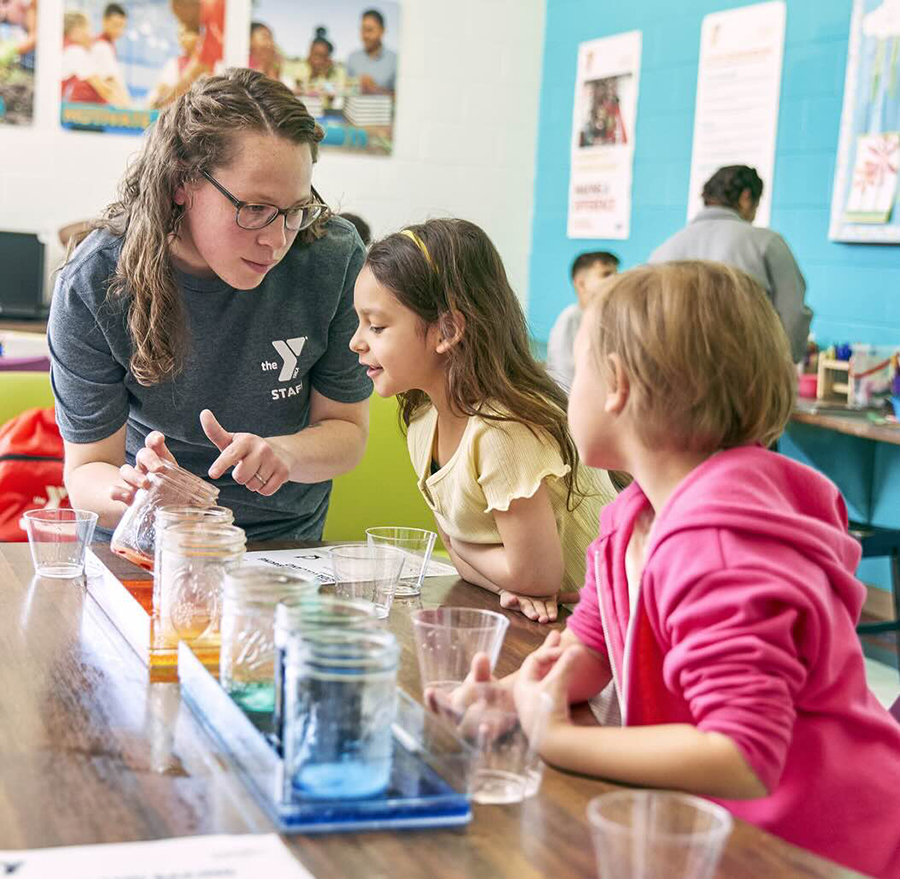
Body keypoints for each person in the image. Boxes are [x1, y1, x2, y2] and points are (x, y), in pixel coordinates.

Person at [449, 261, 900, 878]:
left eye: (577, 369)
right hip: (720, 829)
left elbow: (741, 753)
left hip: (820, 849)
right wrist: (522, 694)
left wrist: (562, 740)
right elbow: (593, 643)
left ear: (617, 386)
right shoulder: (630, 517)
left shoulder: (717, 549)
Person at [49, 68, 371, 542]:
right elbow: (86, 471)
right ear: (183, 184)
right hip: (148, 541)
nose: (277, 240)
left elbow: (346, 430)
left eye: (296, 210)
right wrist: (141, 494)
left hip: (282, 542)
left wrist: (288, 454)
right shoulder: (95, 282)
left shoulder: (332, 258)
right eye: (255, 209)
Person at [350, 219, 617, 623]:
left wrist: (463, 547)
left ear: (448, 331)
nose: (356, 341)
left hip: (623, 620)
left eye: (377, 326)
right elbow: (505, 576)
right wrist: (504, 576)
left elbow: (533, 575)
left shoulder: (503, 430)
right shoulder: (424, 423)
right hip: (563, 622)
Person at [648, 165, 811, 363]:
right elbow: (792, 315)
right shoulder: (766, 243)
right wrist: (784, 364)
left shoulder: (662, 251)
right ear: (746, 197)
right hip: (746, 375)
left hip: (673, 373)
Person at [546, 250, 618, 391]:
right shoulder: (570, 319)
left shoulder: (612, 320)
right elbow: (563, 378)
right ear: (581, 284)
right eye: (606, 274)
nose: (615, 280)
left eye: (616, 274)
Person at [152, 0, 224, 108]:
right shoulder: (210, 31)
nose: (182, 22)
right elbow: (192, 73)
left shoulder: (220, 7)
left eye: (180, 18)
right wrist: (162, 103)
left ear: (185, 5)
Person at [61, 10, 115, 104]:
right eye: (88, 29)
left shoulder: (64, 49)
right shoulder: (75, 52)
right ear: (76, 31)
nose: (91, 35)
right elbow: (105, 91)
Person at [145, 22, 198, 109]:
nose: (182, 39)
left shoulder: (208, 62)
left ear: (199, 35)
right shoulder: (174, 63)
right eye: (180, 35)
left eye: (187, 33)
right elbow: (161, 88)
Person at [346, 8, 396, 94]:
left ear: (382, 31)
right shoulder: (352, 58)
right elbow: (345, 91)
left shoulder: (395, 60)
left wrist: (375, 89)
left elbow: (403, 98)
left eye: (369, 30)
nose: (365, 35)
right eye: (362, 30)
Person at [294, 27, 347, 105]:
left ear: (328, 58)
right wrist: (313, 74)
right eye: (315, 55)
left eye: (322, 56)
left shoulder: (333, 73)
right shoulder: (300, 69)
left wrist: (326, 75)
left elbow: (332, 99)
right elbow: (297, 91)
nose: (317, 61)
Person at [90, 3, 129, 107]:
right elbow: (112, 83)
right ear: (104, 21)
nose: (119, 30)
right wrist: (128, 107)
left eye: (122, 26)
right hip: (92, 107)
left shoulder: (106, 45)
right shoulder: (101, 46)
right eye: (116, 25)